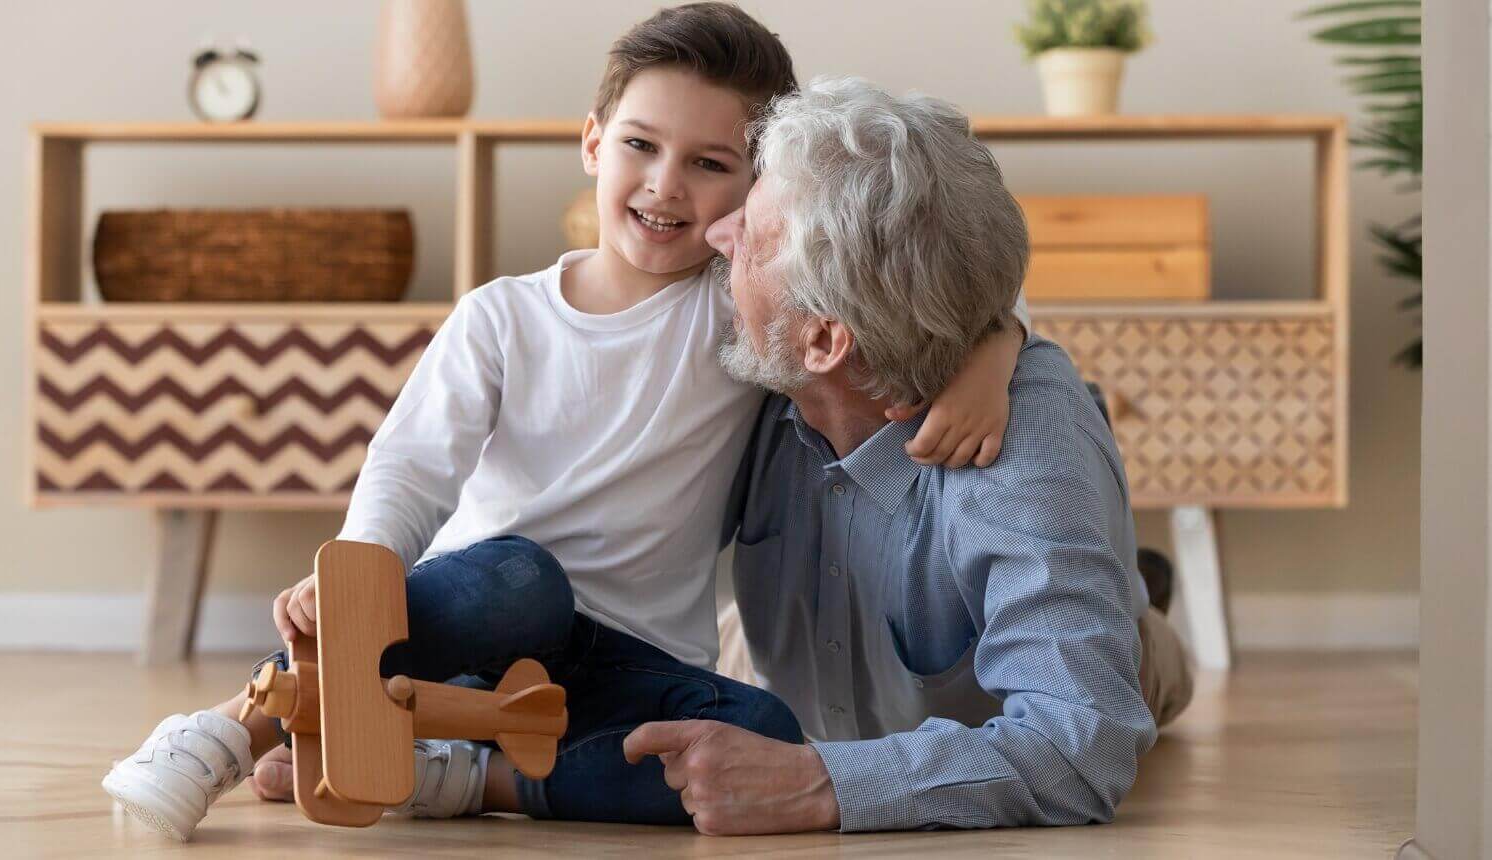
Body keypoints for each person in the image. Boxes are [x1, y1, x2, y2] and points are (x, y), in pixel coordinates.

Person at [99, 5, 1025, 841]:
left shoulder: (741, 312)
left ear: (753, 192)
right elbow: (411, 466)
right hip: (476, 628)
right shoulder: (503, 316)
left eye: (709, 165)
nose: (665, 186)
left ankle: (473, 779)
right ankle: (229, 726)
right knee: (522, 575)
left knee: (765, 737)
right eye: (640, 146)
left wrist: (994, 349)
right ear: (592, 143)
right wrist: (361, 572)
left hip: (621, 675)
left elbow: (916, 299)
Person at [619, 76, 1195, 835]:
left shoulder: (1023, 449)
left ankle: (1132, 607)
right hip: (774, 652)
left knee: (1135, 657)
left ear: (825, 340)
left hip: (1085, 639)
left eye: (753, 241)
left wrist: (820, 783)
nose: (721, 235)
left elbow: (1080, 749)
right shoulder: (752, 361)